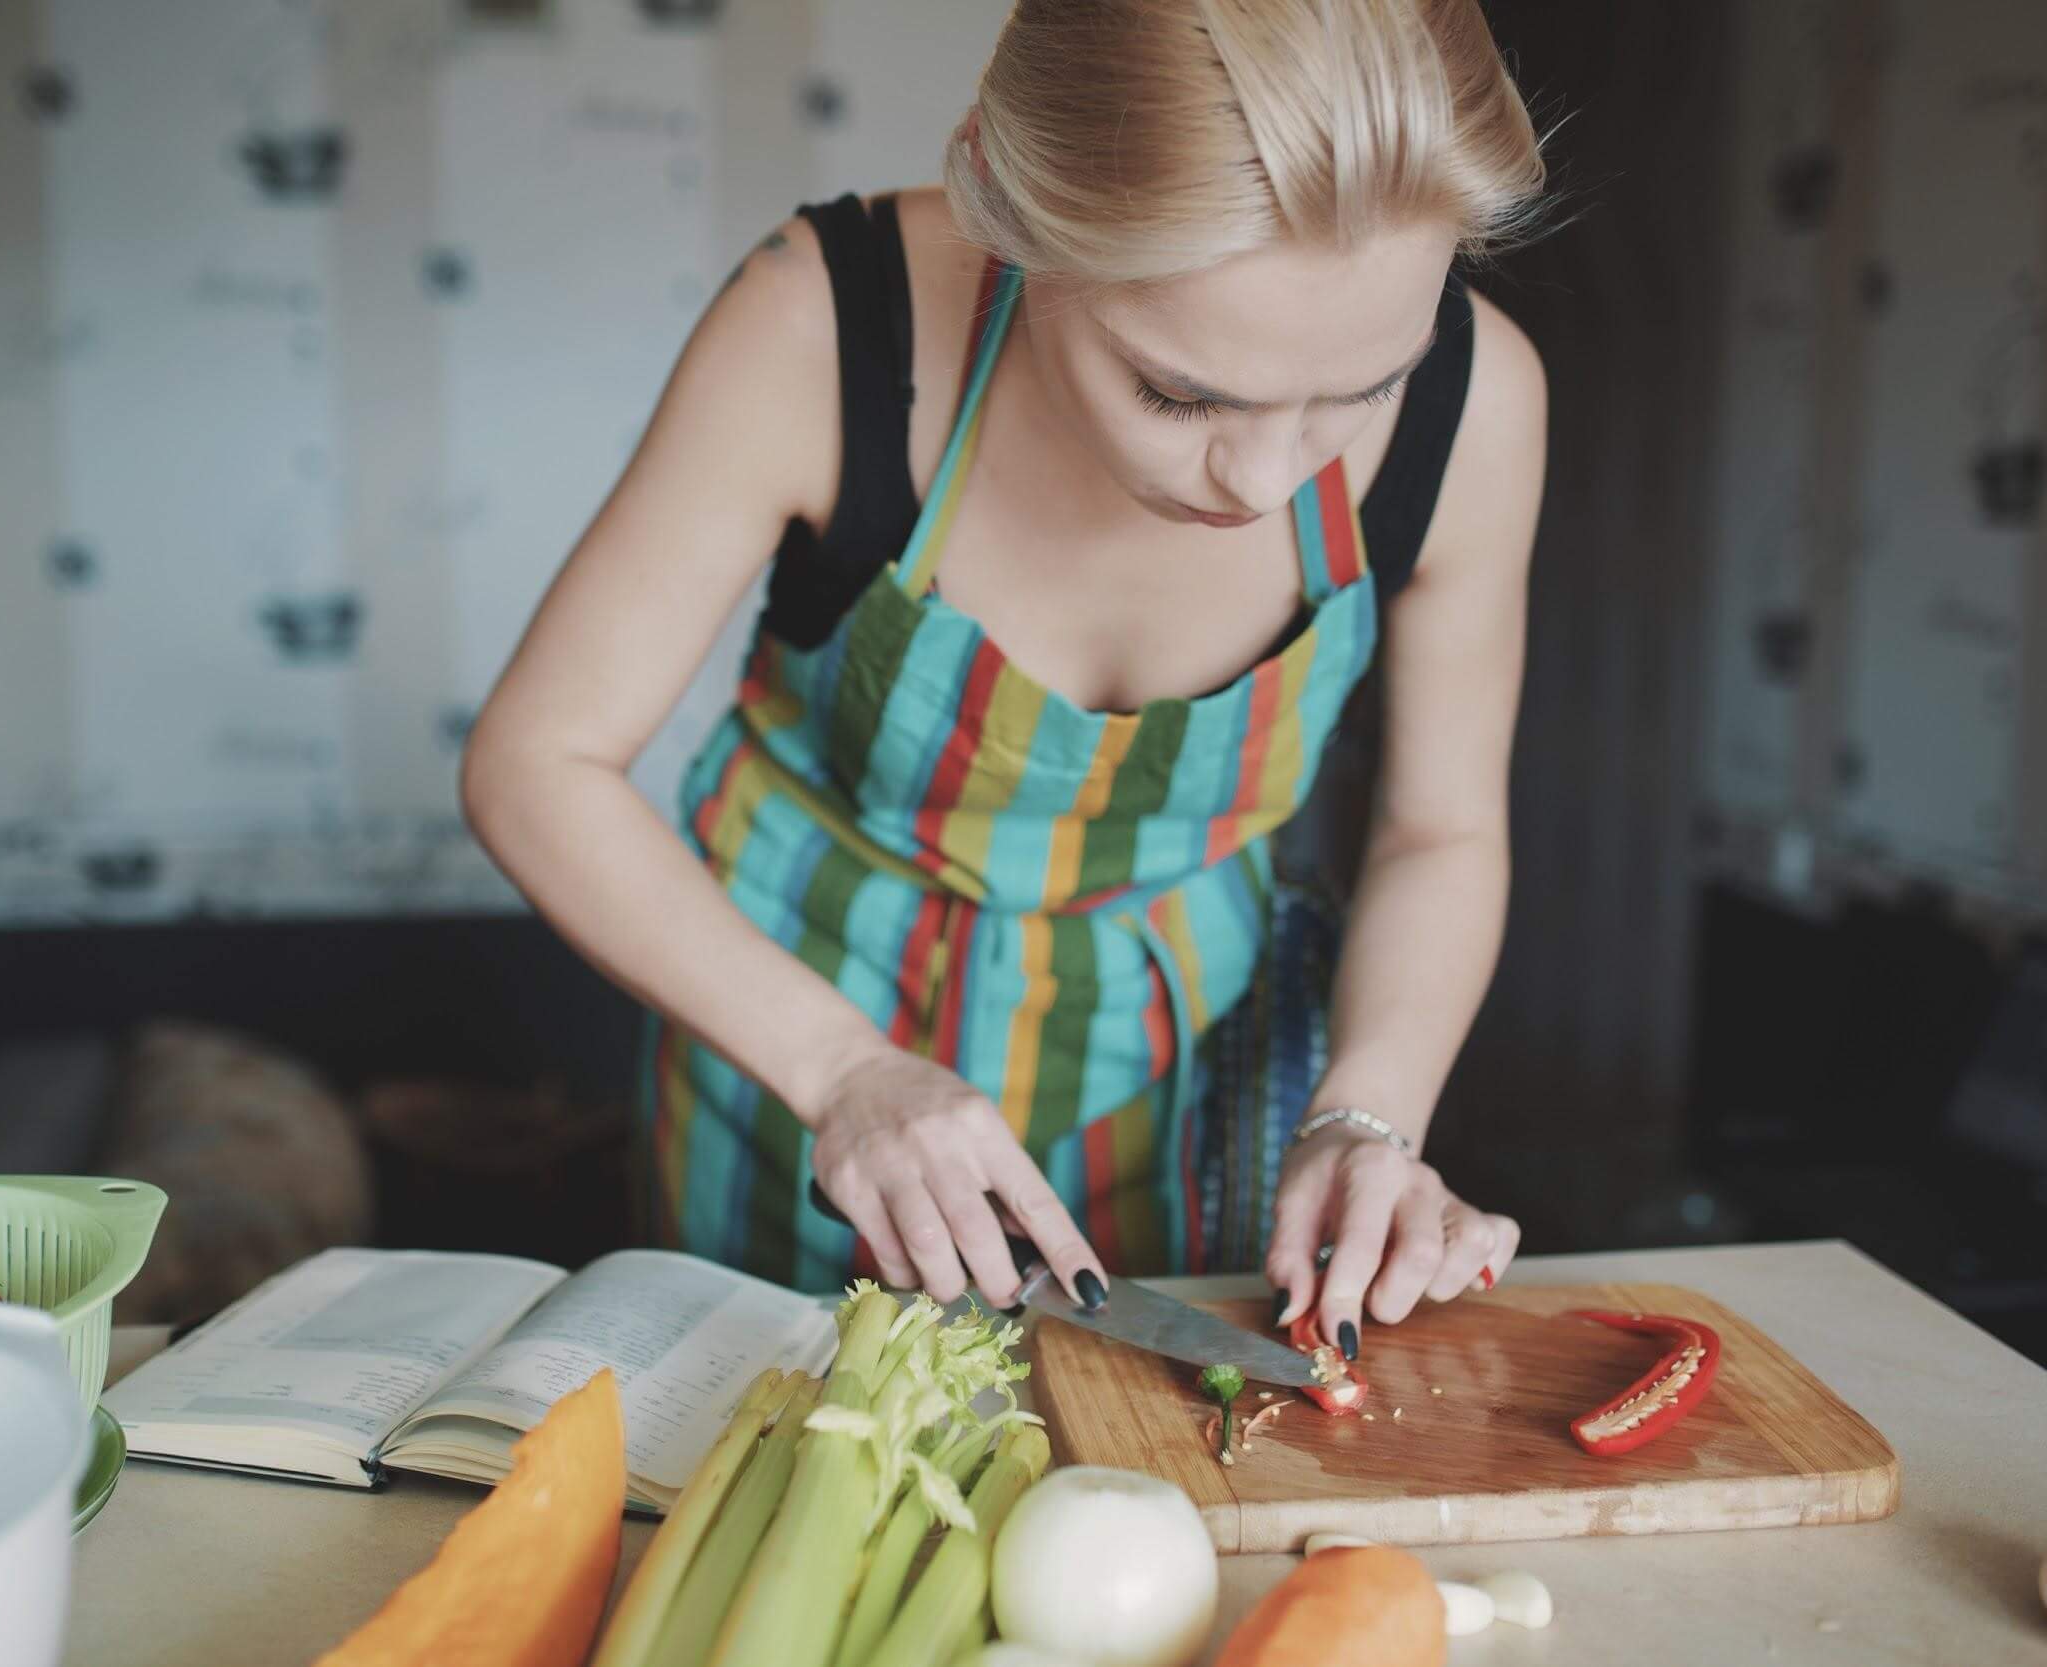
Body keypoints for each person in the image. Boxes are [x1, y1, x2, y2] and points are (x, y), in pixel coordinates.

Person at [465, 0, 1549, 1364]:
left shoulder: (1482, 400)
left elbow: (1442, 828)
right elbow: (537, 761)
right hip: (798, 1066)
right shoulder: (827, 326)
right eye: (1181, 395)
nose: (1272, 479)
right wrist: (844, 1071)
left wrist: (1369, 1115)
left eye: (1363, 390)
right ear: (1003, 201)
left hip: (1194, 1086)